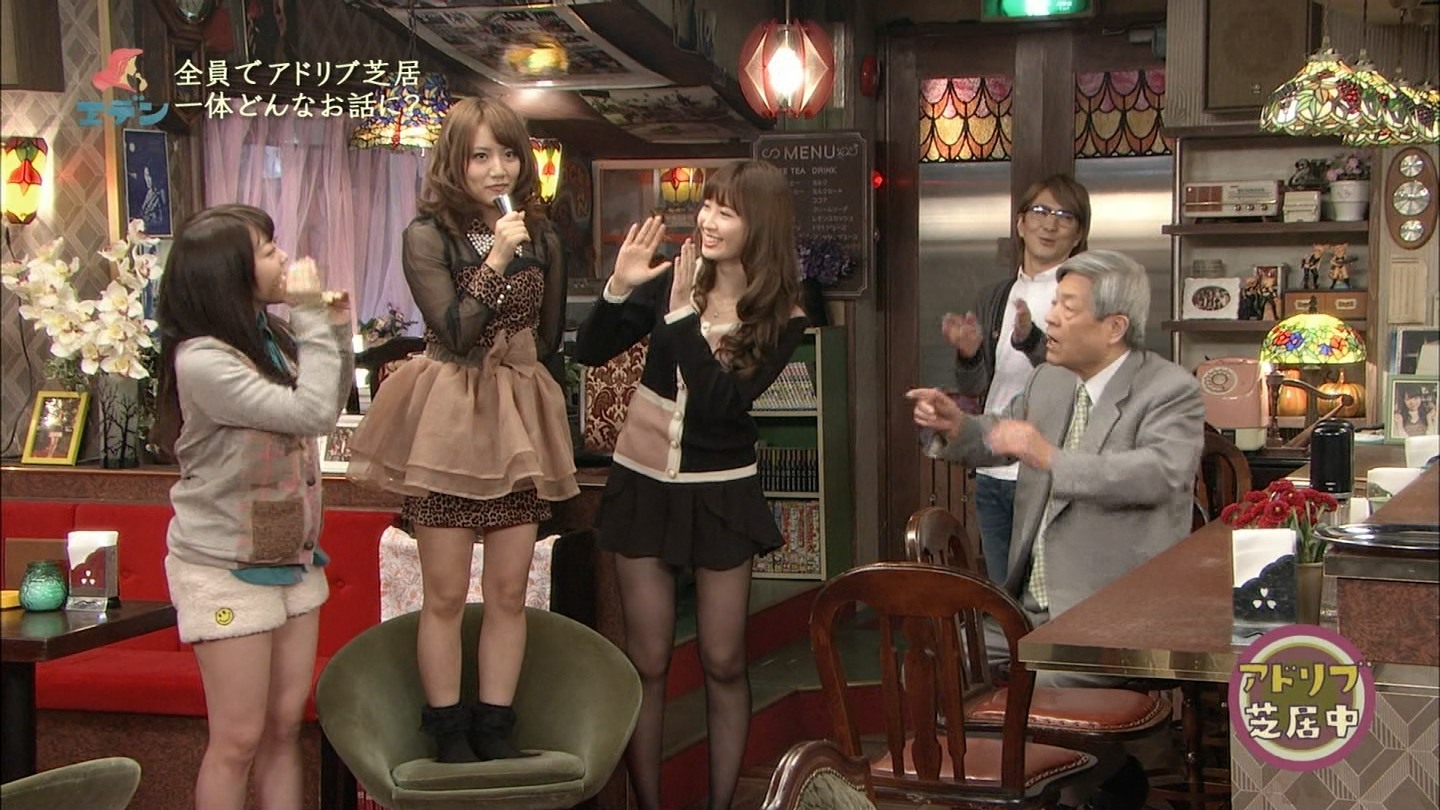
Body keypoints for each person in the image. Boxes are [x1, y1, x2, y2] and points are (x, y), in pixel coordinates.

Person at [910, 250, 1204, 810]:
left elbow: (1159, 473)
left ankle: (1081, 783)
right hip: (1029, 606)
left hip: (1113, 611)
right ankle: (1097, 777)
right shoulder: (1048, 379)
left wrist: (1048, 457)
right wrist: (958, 425)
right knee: (928, 658)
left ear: (1114, 326)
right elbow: (1000, 432)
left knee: (1043, 692)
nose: (1050, 319)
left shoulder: (1168, 389)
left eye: (1067, 307)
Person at [345, 97, 577, 763]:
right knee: (444, 594)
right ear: (455, 162)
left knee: (509, 591)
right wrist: (497, 260)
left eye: (508, 154)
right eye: (480, 156)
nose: (498, 168)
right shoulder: (426, 235)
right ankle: (447, 733)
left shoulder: (543, 237)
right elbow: (453, 331)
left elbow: (550, 336)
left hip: (515, 423)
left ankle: (495, 728)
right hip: (449, 420)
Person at [572, 160, 808, 810]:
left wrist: (681, 322)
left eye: (726, 211)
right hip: (643, 483)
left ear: (760, 225)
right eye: (707, 206)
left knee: (724, 660)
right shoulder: (673, 278)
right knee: (647, 661)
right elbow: (589, 350)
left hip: (722, 493)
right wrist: (619, 288)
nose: (708, 220)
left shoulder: (782, 316)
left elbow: (719, 404)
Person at [153, 204, 353, 810]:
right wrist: (311, 314)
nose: (283, 257)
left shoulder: (269, 337)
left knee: (284, 728)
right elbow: (309, 413)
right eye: (267, 250)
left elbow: (327, 399)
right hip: (224, 570)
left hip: (291, 557)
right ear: (230, 274)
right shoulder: (204, 360)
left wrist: (332, 327)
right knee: (238, 738)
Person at [943, 174, 1090, 583]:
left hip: (1052, 471)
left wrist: (1031, 340)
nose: (1050, 224)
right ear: (1021, 223)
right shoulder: (996, 297)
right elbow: (975, 387)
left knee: (1053, 593)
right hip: (995, 467)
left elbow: (1079, 373)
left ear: (1079, 234)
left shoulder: (1087, 297)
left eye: (1064, 216)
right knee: (1003, 592)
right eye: (1040, 211)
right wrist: (968, 354)